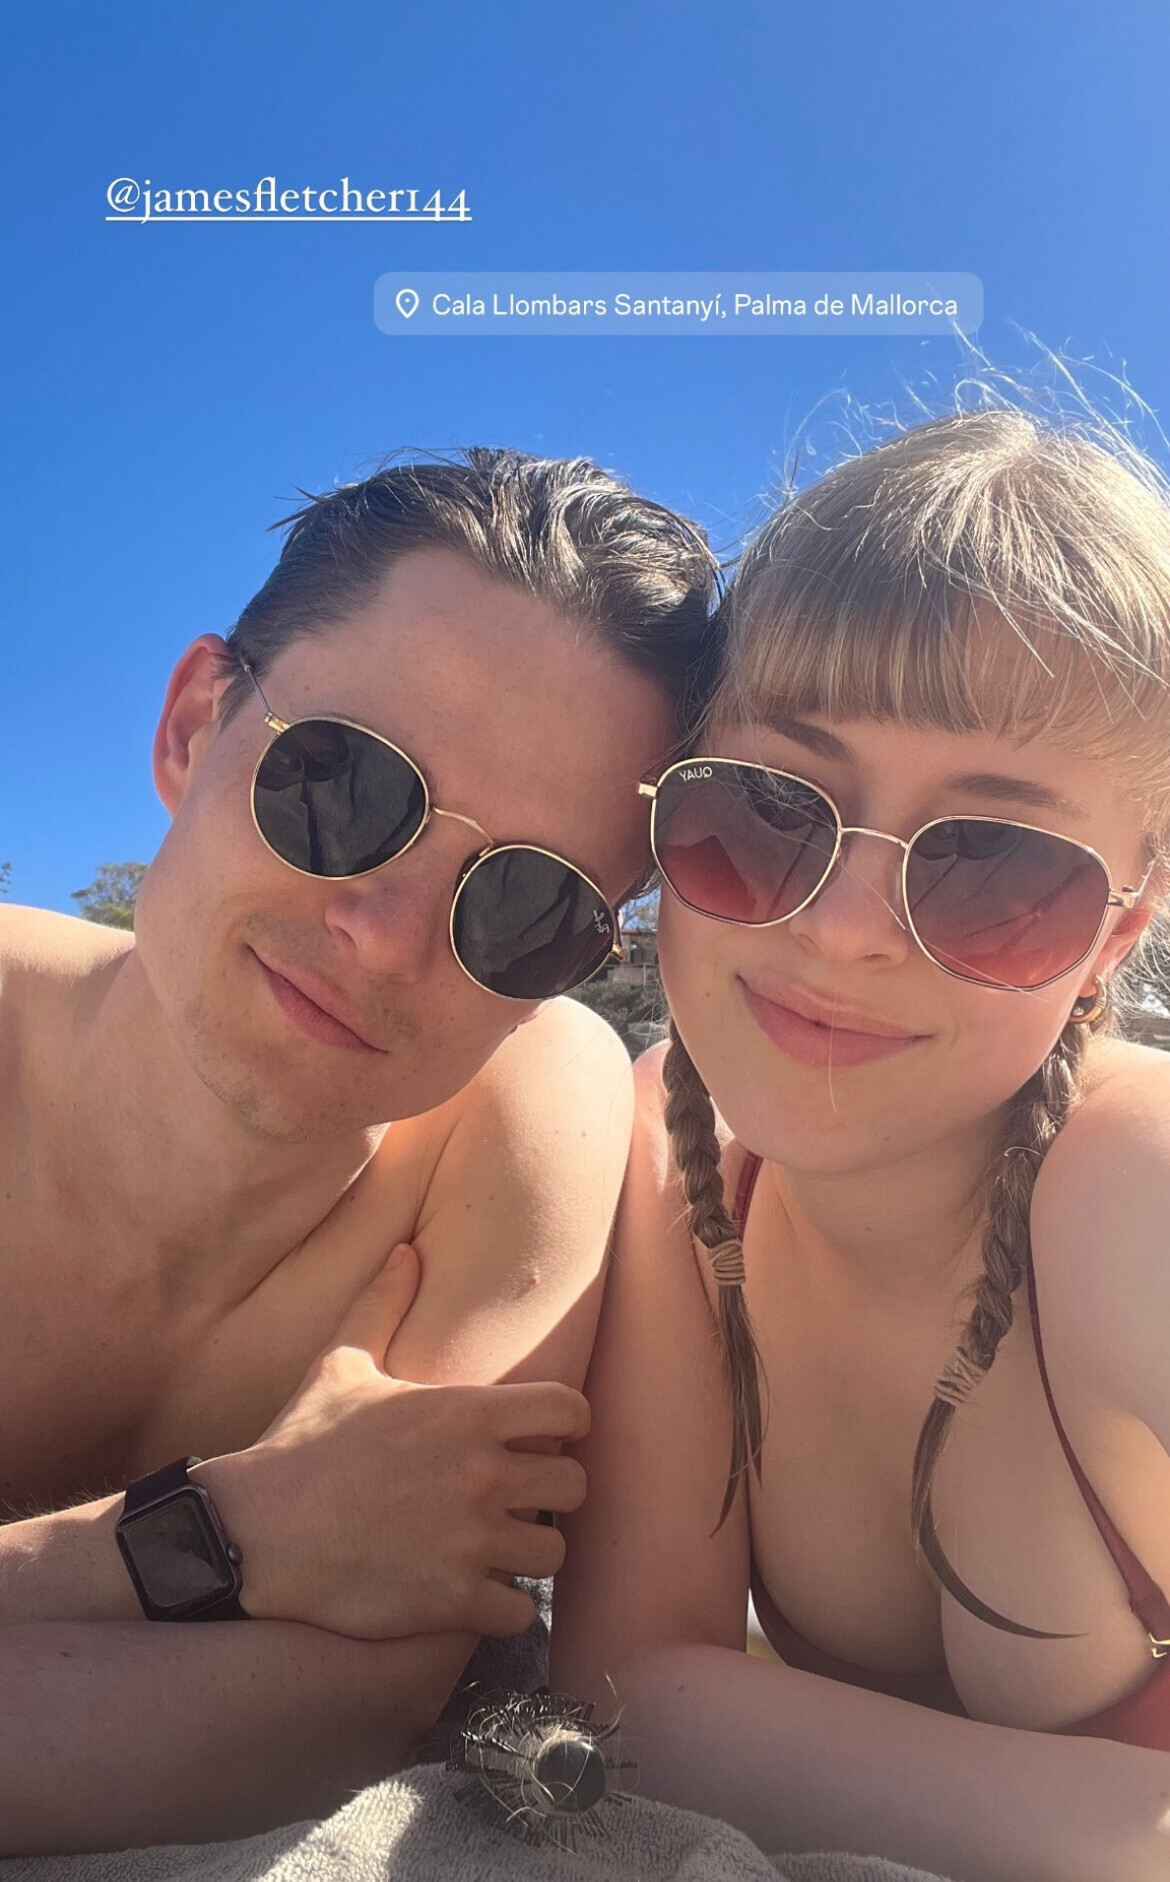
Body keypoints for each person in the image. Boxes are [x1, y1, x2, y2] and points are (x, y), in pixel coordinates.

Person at [0, 449, 719, 1853]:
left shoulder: (521, 1109)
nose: (386, 941)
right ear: (193, 726)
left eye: (525, 908)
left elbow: (349, 1705)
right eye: (342, 787)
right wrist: (215, 1536)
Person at [551, 409, 1170, 1882]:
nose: (838, 932)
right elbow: (631, 1689)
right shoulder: (672, 1158)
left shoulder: (1130, 1182)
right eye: (769, 810)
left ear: (1115, 936)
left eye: (994, 865)